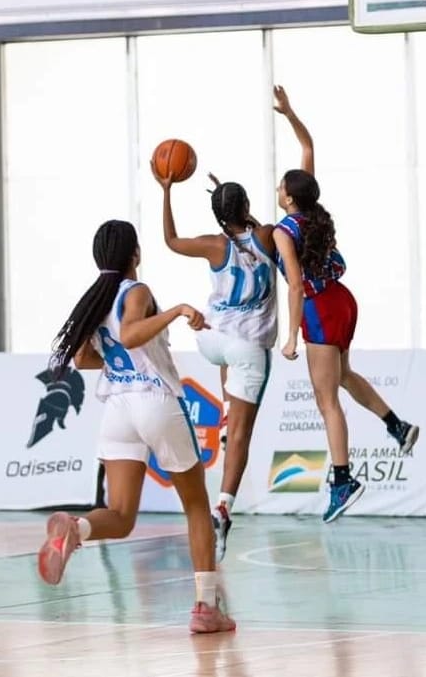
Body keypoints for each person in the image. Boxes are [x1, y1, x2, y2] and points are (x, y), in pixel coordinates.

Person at [36, 219, 235, 635]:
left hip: (118, 409)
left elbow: (86, 361)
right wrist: (178, 310)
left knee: (121, 516)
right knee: (197, 506)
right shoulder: (136, 291)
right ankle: (204, 608)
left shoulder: (97, 298)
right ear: (135, 255)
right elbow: (128, 336)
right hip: (154, 401)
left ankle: (77, 528)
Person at [272, 85, 420, 523]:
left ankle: (342, 479)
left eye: (281, 186)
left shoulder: (284, 230)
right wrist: (290, 112)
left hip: (319, 309)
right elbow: (308, 145)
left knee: (326, 401)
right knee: (344, 376)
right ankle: (397, 425)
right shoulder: (315, 210)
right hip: (344, 302)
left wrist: (290, 339)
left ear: (290, 197)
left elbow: (295, 286)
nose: (278, 188)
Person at [152, 167, 277, 563]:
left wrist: (167, 191)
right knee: (241, 435)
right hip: (247, 348)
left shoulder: (213, 245)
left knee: (228, 358)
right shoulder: (268, 234)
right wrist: (234, 205)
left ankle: (224, 416)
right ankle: (223, 507)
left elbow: (170, 240)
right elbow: (256, 230)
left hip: (210, 339)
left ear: (218, 217)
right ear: (248, 208)